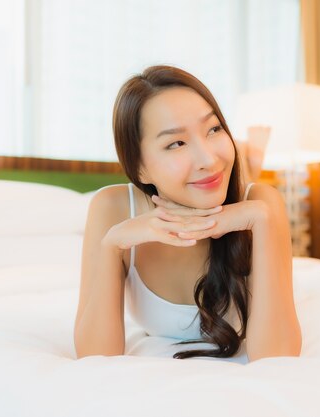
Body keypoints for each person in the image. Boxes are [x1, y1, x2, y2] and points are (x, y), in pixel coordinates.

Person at [74, 65, 301, 362]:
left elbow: (277, 358)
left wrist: (260, 218)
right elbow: (95, 356)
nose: (208, 159)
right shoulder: (113, 208)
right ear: (139, 166)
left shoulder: (261, 202)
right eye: (176, 143)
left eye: (214, 129)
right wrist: (111, 244)